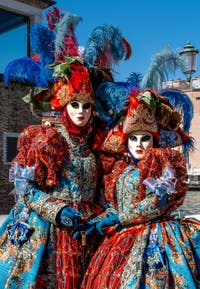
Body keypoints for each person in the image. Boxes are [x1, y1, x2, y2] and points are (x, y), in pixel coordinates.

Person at [0, 8, 132, 289]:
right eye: (75, 105)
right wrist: (57, 211)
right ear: (62, 105)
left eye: (87, 106)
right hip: (52, 233)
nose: (81, 112)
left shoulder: (99, 144)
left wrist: (106, 213)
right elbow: (27, 190)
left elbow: (108, 186)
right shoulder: (47, 139)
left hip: (90, 233)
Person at [73, 87, 200, 289]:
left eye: (145, 138)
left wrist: (118, 219)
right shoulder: (120, 171)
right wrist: (95, 221)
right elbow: (116, 206)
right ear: (126, 141)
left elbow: (158, 203)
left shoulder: (162, 164)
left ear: (154, 140)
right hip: (120, 238)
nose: (138, 144)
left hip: (156, 235)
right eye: (133, 138)